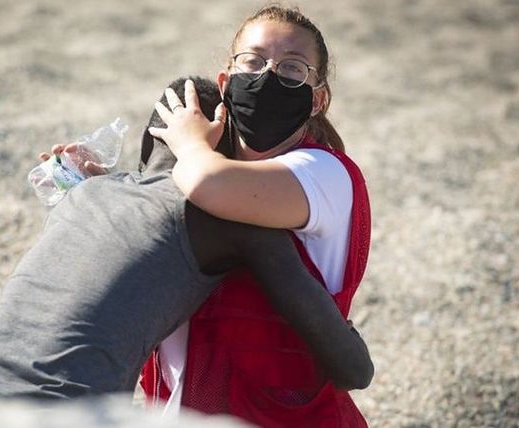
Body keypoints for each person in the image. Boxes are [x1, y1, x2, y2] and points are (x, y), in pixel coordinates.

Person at [0, 77, 372, 426]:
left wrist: (95, 183)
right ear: (225, 161)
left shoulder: (85, 195)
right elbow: (355, 370)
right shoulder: (231, 221)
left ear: (146, 146)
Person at [141, 5, 373, 427]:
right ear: (227, 81)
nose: (268, 75)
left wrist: (189, 144)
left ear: (317, 99)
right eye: (253, 61)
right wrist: (91, 185)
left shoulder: (326, 174)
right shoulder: (207, 167)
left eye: (292, 69)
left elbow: (210, 185)